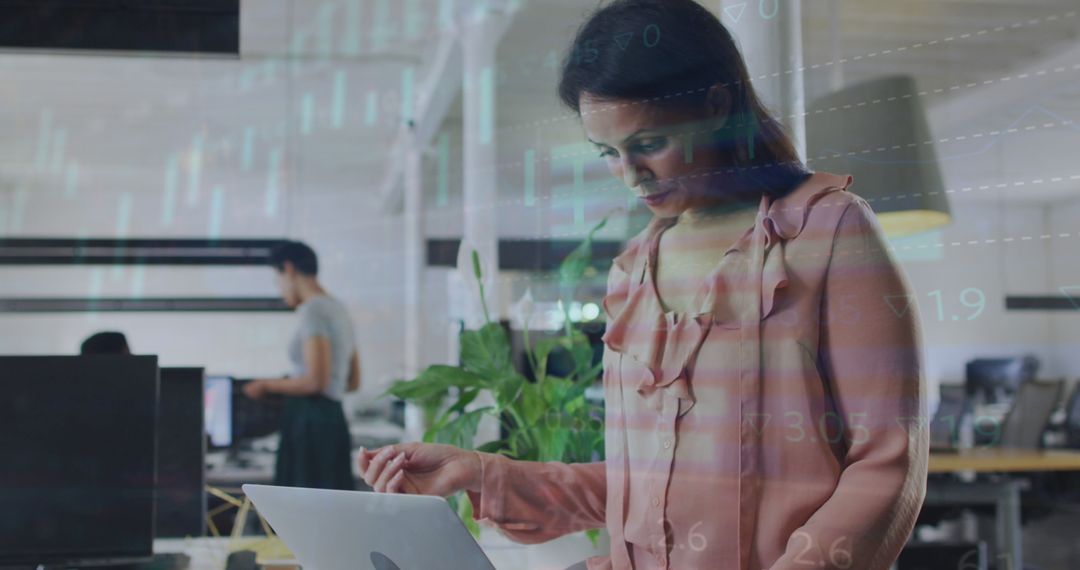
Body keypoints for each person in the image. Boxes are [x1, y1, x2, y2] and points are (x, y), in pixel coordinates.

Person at [360, 1, 928, 569]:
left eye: (649, 144)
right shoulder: (633, 269)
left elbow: (885, 463)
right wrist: (480, 473)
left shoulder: (827, 231)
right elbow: (650, 488)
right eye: (607, 153)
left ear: (716, 106)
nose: (631, 176)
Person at [244, 240, 361, 490]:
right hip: (333, 420)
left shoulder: (313, 310)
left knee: (300, 510)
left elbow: (315, 382)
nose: (280, 290)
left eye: (277, 280)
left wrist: (266, 385)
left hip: (309, 422)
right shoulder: (338, 308)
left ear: (288, 269)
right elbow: (353, 381)